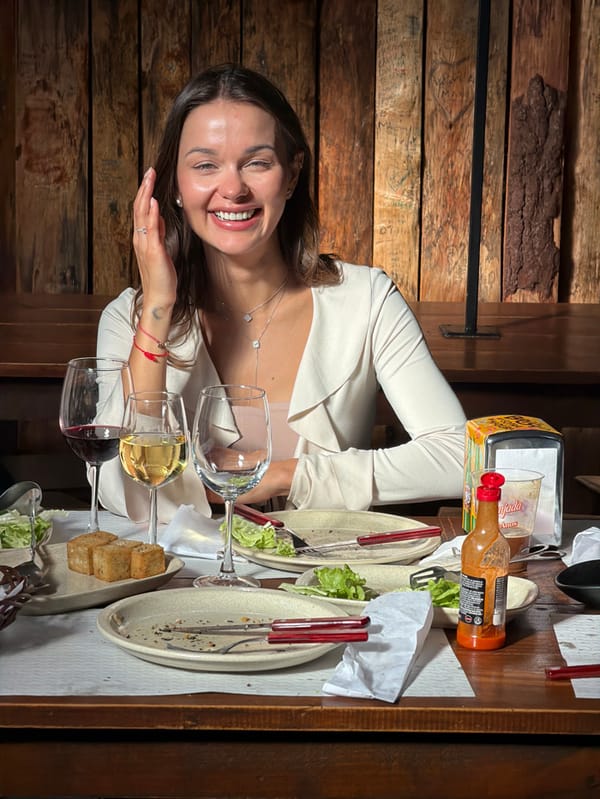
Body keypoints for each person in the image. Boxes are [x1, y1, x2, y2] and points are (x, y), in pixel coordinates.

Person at [96, 63, 466, 523]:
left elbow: (459, 458)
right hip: (186, 580)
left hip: (324, 581)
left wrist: (287, 476)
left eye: (257, 162)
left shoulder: (367, 301)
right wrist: (157, 308)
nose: (232, 188)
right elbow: (118, 488)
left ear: (291, 175)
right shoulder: (128, 318)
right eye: (205, 165)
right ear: (174, 184)